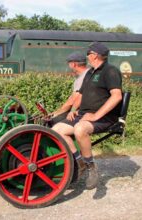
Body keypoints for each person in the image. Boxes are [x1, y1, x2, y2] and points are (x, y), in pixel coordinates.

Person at [52, 42, 122, 190]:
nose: (87, 57)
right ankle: (80, 162)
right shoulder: (90, 72)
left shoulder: (110, 71)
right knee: (57, 129)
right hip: (84, 114)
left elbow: (116, 97)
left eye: (89, 54)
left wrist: (96, 115)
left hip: (104, 117)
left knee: (80, 129)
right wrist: (73, 110)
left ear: (95, 55)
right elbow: (81, 94)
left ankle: (91, 167)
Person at [49, 52, 89, 125]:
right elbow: (71, 99)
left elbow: (73, 100)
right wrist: (58, 111)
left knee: (54, 121)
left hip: (83, 112)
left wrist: (57, 114)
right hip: (83, 110)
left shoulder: (83, 77)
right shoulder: (85, 74)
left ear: (73, 64)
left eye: (69, 64)